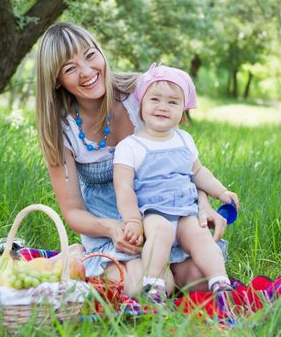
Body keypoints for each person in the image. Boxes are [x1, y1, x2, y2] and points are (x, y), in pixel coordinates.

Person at [35, 22, 229, 297]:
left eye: (90, 55)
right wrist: (114, 229)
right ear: (57, 80)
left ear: (101, 53)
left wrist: (203, 203)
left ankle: (160, 265)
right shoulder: (61, 128)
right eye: (70, 68)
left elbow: (180, 159)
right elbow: (73, 210)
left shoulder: (142, 93)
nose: (87, 72)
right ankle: (82, 257)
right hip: (111, 227)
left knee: (199, 280)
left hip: (161, 212)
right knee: (143, 285)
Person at [113, 63, 240, 300]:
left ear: (183, 110)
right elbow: (123, 187)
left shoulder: (184, 139)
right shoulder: (130, 146)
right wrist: (132, 220)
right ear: (141, 104)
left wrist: (221, 192)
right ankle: (153, 285)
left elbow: (199, 172)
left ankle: (220, 283)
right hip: (154, 213)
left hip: (185, 213)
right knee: (159, 232)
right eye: (155, 99)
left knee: (200, 235)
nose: (163, 107)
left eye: (173, 102)